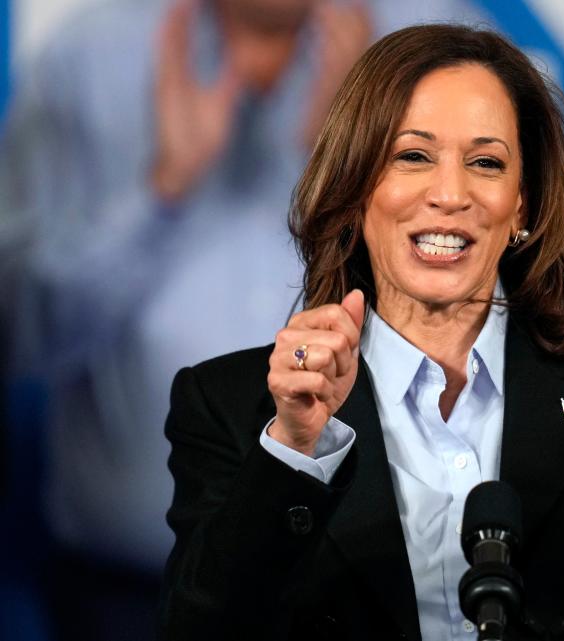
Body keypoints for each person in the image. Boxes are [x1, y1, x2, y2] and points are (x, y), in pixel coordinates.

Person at [160, 24, 564, 641]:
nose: (450, 195)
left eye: (485, 163)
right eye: (413, 156)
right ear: (353, 189)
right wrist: (294, 453)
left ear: (523, 204)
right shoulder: (233, 405)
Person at [0, 0, 480, 638]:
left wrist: (356, 170)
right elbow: (18, 339)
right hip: (126, 598)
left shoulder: (448, 57)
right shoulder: (86, 60)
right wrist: (161, 196)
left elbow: (493, 342)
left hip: (364, 596)